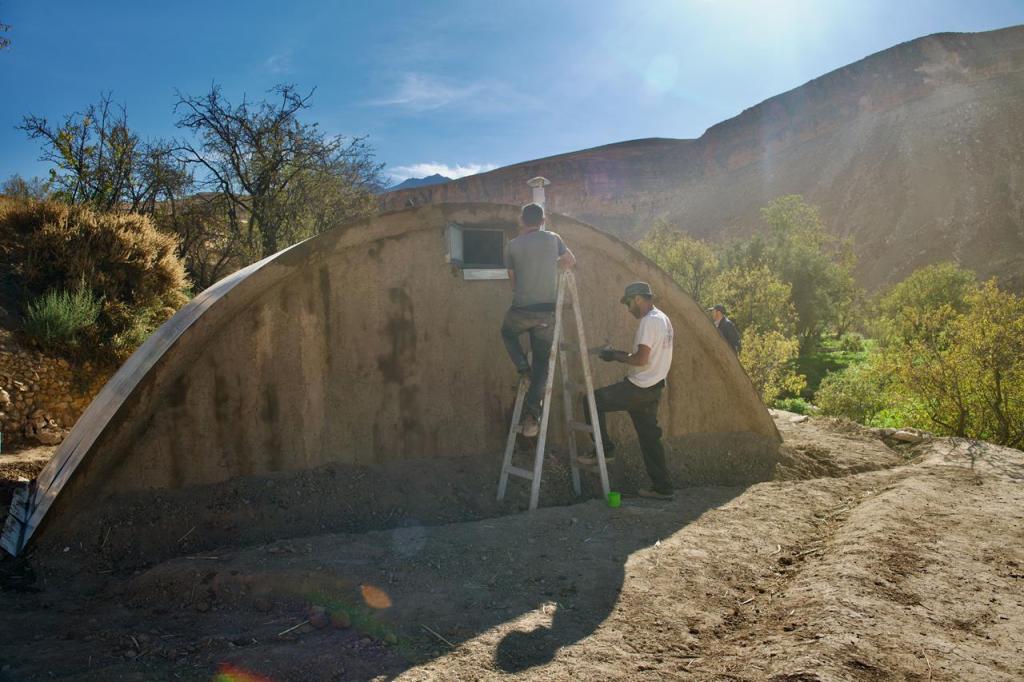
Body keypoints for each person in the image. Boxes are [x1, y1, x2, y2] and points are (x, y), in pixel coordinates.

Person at [579, 282, 675, 500]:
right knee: (650, 441)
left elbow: (641, 359)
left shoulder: (648, 322)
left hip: (639, 388)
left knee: (592, 401)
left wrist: (613, 356)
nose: (629, 308)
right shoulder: (663, 319)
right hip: (654, 388)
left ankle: (605, 448)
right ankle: (663, 488)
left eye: (629, 303)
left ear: (639, 299)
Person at [501, 203, 575, 437]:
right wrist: (550, 266)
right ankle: (532, 417)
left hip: (521, 310)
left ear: (522, 220)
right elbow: (570, 260)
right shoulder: (553, 238)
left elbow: (512, 281)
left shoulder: (511, 246)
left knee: (507, 332)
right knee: (542, 362)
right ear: (542, 221)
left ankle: (523, 368)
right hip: (546, 313)